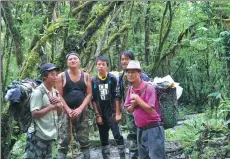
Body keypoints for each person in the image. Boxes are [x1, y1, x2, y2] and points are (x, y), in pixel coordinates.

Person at [124, 60, 166, 159]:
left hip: (153, 128)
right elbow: (128, 109)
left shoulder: (149, 88)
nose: (130, 74)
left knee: (157, 156)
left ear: (139, 73)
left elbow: (150, 110)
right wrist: (133, 105)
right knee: (143, 157)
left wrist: (138, 100)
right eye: (128, 72)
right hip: (140, 129)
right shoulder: (130, 89)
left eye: (133, 72)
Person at [56, 52, 92, 159]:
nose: (72, 60)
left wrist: (80, 109)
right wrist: (67, 109)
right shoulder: (61, 76)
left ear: (79, 61)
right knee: (64, 139)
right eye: (70, 59)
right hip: (66, 111)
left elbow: (89, 94)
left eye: (75, 59)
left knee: (84, 137)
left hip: (82, 111)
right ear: (67, 62)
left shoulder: (86, 76)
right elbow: (59, 95)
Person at [24, 63, 63, 159]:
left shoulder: (55, 92)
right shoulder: (38, 93)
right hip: (38, 137)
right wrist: (51, 107)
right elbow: (34, 114)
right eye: (52, 74)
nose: (56, 77)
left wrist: (59, 105)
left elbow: (59, 113)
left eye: (56, 74)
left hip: (50, 137)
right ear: (45, 77)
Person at [92, 56, 125, 159]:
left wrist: (117, 113)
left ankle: (122, 156)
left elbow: (116, 96)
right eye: (99, 64)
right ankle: (106, 157)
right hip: (101, 113)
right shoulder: (93, 80)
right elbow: (93, 99)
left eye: (103, 64)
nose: (101, 66)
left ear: (107, 66)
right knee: (103, 137)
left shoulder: (112, 78)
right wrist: (97, 115)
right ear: (96, 66)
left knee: (117, 134)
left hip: (111, 112)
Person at [118, 50, 149, 159]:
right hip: (130, 112)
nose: (124, 61)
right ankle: (133, 156)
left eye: (127, 59)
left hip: (142, 111)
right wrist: (121, 110)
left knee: (144, 135)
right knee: (132, 135)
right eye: (122, 59)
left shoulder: (143, 76)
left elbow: (149, 93)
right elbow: (121, 94)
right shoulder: (121, 77)